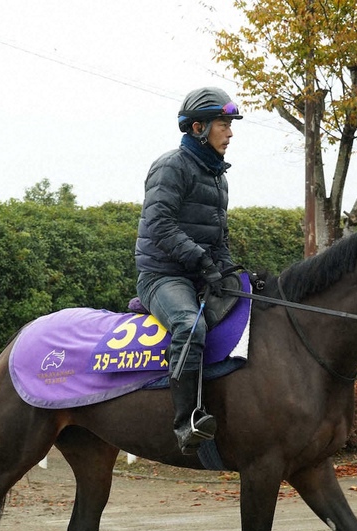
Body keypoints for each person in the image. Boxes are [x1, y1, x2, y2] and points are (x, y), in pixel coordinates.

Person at [135, 86, 242, 455]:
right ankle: (187, 422)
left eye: (230, 124)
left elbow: (219, 239)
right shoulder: (170, 166)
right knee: (189, 325)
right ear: (199, 128)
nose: (230, 132)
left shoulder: (218, 177)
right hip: (162, 276)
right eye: (223, 124)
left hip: (199, 273)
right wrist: (201, 260)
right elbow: (160, 225)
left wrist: (233, 275)